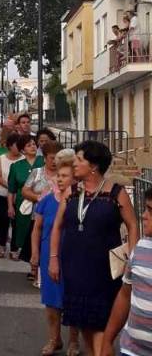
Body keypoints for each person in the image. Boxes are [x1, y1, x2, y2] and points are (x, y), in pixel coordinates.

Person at [49, 140, 139, 356]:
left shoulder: (116, 193)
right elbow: (58, 226)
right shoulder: (71, 192)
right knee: (85, 325)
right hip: (74, 267)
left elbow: (133, 225)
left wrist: (132, 257)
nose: (74, 164)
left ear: (94, 166)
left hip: (103, 271)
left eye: (79, 160)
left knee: (101, 326)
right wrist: (53, 257)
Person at [30, 149, 80, 356]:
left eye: (64, 176)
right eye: (58, 175)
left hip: (73, 258)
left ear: (75, 178)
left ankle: (74, 342)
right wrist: (34, 254)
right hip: (48, 256)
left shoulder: (80, 201)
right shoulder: (47, 199)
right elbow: (37, 229)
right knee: (51, 302)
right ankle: (54, 339)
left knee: (73, 299)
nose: (59, 179)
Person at [101, 188, 152, 356]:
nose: (144, 215)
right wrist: (108, 340)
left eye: (150, 211)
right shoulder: (141, 248)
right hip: (131, 350)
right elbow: (125, 294)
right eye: (145, 209)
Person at [21, 140, 62, 281]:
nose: (55, 162)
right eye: (52, 158)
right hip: (38, 215)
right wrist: (38, 198)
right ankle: (34, 268)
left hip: (58, 216)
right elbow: (25, 190)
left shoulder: (64, 176)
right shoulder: (37, 172)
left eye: (58, 158)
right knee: (37, 240)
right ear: (45, 158)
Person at [7, 134, 43, 260]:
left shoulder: (43, 162)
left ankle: (36, 262)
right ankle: (30, 259)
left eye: (34, 144)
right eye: (29, 145)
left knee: (40, 232)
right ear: (22, 150)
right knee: (24, 231)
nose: (32, 147)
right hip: (23, 205)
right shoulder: (16, 166)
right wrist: (10, 206)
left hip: (41, 202)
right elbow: (11, 189)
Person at [0, 133, 21, 258]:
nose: (18, 147)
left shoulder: (24, 159)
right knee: (3, 220)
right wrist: (10, 186)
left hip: (18, 196)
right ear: (9, 146)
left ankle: (14, 248)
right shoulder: (1, 158)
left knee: (16, 222)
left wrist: (15, 189)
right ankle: (2, 244)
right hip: (3, 193)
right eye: (16, 145)